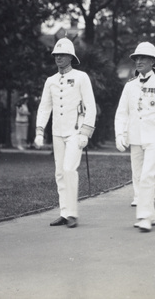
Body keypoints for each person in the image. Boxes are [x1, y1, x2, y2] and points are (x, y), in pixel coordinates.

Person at [34, 37, 96, 229]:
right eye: (56, 55)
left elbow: (90, 106)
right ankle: (64, 212)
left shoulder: (81, 77)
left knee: (69, 169)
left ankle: (72, 214)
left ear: (71, 57)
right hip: (57, 132)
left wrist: (86, 131)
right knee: (60, 173)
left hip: (75, 132)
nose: (58, 57)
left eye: (62, 54)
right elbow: (44, 108)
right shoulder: (50, 81)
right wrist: (39, 131)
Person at [115, 42, 155, 232]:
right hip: (135, 137)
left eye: (143, 58)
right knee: (137, 176)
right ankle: (150, 214)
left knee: (148, 175)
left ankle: (143, 216)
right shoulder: (130, 86)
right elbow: (122, 112)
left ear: (152, 62)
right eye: (136, 58)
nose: (139, 61)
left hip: (154, 136)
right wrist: (120, 134)